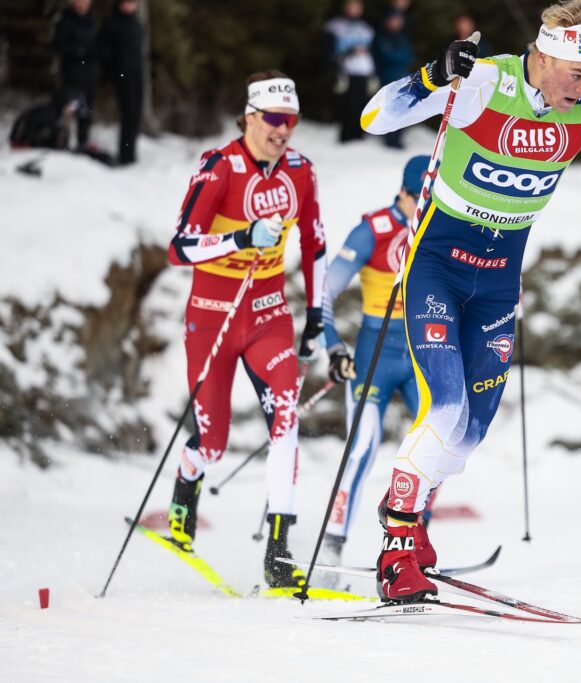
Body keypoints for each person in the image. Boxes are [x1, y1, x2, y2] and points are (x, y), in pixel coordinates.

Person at [360, 0, 581, 602]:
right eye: (577, 72)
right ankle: (397, 545)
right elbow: (373, 118)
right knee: (443, 411)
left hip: (499, 277)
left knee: (469, 434)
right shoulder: (486, 83)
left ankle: (410, 508)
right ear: (544, 56)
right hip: (439, 266)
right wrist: (432, 77)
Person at [165, 71, 327, 590]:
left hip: (267, 315)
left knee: (286, 413)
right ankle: (187, 483)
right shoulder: (219, 167)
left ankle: (279, 551)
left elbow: (315, 244)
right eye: (276, 120)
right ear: (251, 116)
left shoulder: (301, 171)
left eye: (293, 121)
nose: (284, 131)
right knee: (212, 444)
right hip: (212, 315)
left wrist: (317, 313)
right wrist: (238, 237)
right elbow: (180, 247)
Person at [320, 155, 430, 568]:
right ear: (402, 193)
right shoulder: (373, 230)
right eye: (417, 197)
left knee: (431, 452)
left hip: (422, 355)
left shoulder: (438, 227)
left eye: (430, 196)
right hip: (375, 354)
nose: (423, 205)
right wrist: (333, 347)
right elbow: (324, 292)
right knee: (362, 448)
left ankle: (415, 547)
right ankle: (332, 547)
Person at [98, 0, 144, 165]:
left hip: (137, 74)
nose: (129, 6)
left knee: (135, 115)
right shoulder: (112, 23)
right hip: (122, 75)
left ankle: (130, 154)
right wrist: (112, 73)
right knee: (128, 113)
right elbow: (103, 50)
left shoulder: (137, 24)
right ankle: (125, 155)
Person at [325, 0, 376, 142]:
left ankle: (358, 136)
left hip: (364, 71)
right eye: (352, 7)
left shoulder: (366, 28)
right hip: (346, 72)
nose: (355, 10)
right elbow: (330, 52)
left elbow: (371, 50)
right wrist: (350, 52)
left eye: (358, 7)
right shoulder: (336, 26)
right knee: (348, 105)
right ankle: (345, 137)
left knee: (363, 105)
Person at [52, 0, 96, 151]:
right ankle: (61, 142)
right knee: (69, 107)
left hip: (89, 73)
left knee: (87, 109)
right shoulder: (66, 19)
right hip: (71, 73)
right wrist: (78, 51)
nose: (81, 3)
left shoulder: (92, 20)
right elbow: (58, 45)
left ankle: (83, 142)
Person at [371, 8, 416, 149]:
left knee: (403, 108)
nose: (396, 23)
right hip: (387, 78)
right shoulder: (381, 37)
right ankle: (388, 138)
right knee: (388, 108)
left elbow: (409, 57)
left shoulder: (403, 38)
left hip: (403, 78)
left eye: (398, 20)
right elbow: (385, 57)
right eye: (393, 20)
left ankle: (397, 138)